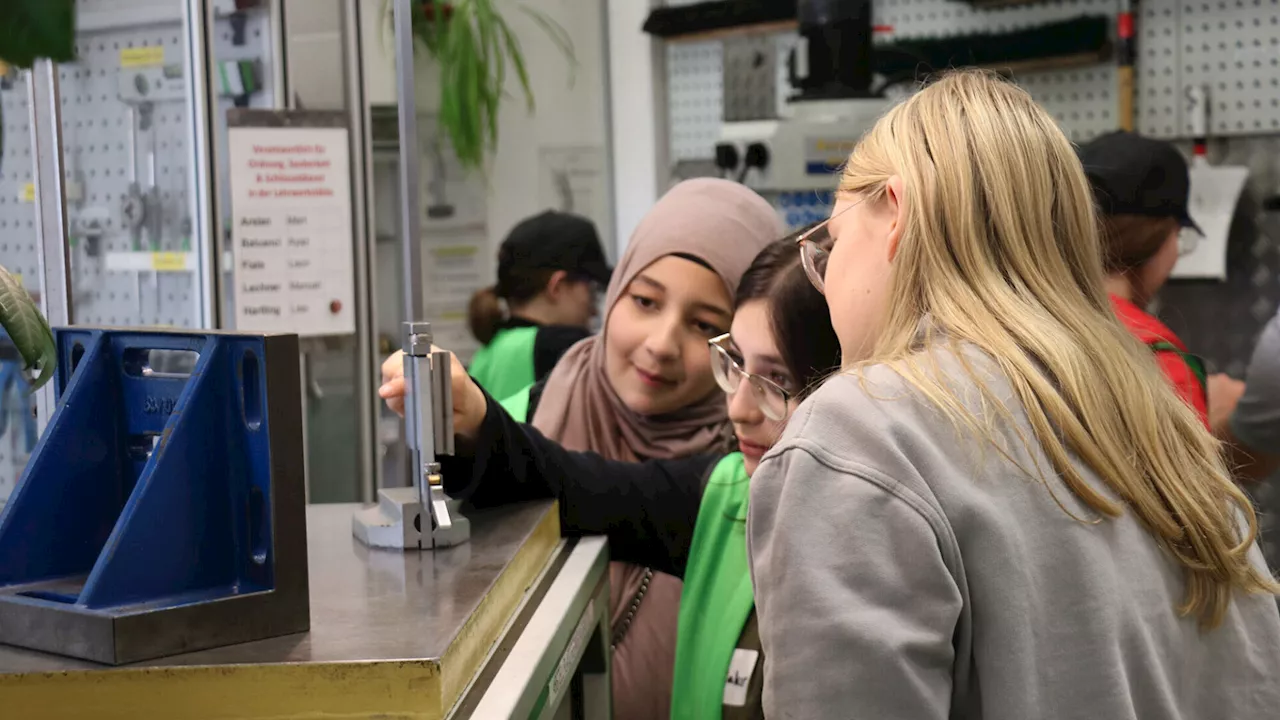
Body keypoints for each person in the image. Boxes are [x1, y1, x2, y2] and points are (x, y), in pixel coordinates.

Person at [747, 70, 1280, 720]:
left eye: (829, 244)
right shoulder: (1164, 428)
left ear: (896, 212)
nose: (825, 283)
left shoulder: (861, 436)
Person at [382, 177, 782, 720]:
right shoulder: (503, 431)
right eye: (645, 301)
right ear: (613, 294)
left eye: (704, 325)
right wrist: (471, 424)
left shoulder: (748, 481)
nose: (660, 344)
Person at [1078, 131, 1209, 425]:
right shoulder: (1160, 365)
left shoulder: (1024, 324)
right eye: (1179, 236)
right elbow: (1185, 471)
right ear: (1160, 238)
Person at [466, 210, 612, 400]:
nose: (593, 310)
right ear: (557, 287)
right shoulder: (563, 346)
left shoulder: (487, 352)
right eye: (592, 292)